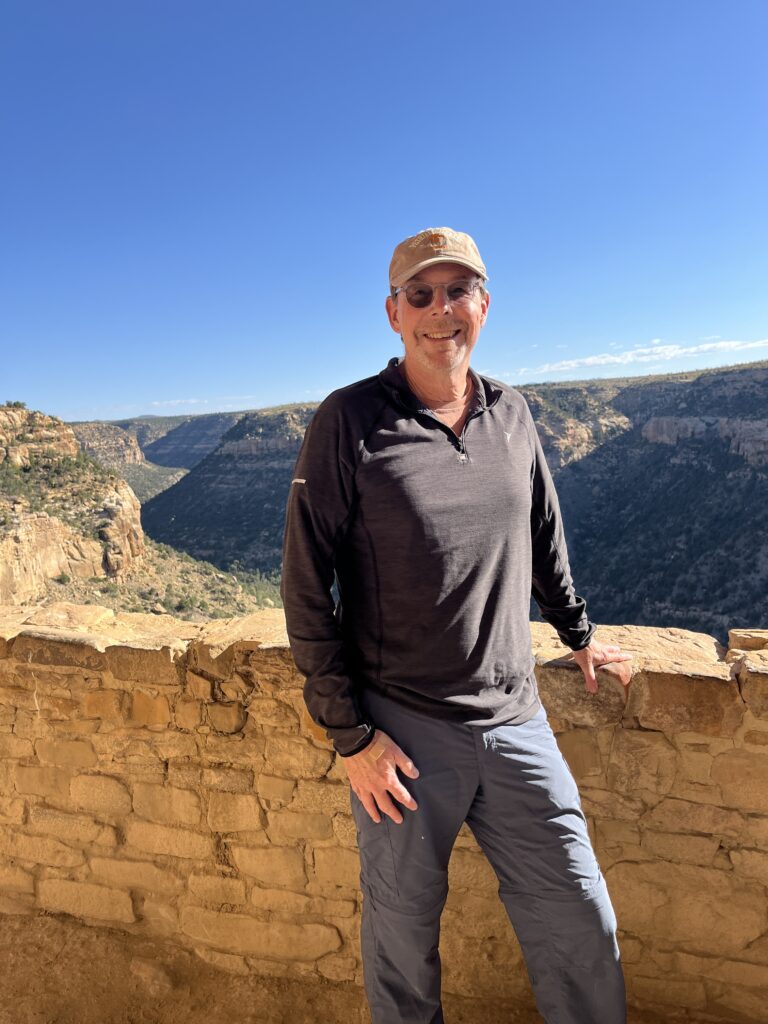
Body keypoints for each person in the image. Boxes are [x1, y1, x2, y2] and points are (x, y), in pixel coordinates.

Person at [281, 227, 631, 1024]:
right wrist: (351, 737)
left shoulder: (513, 413)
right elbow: (304, 584)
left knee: (581, 921)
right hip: (402, 733)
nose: (441, 309)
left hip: (516, 721)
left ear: (484, 304)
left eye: (458, 291)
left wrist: (577, 635)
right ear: (394, 313)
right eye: (421, 294)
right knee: (403, 948)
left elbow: (543, 536)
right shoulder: (349, 420)